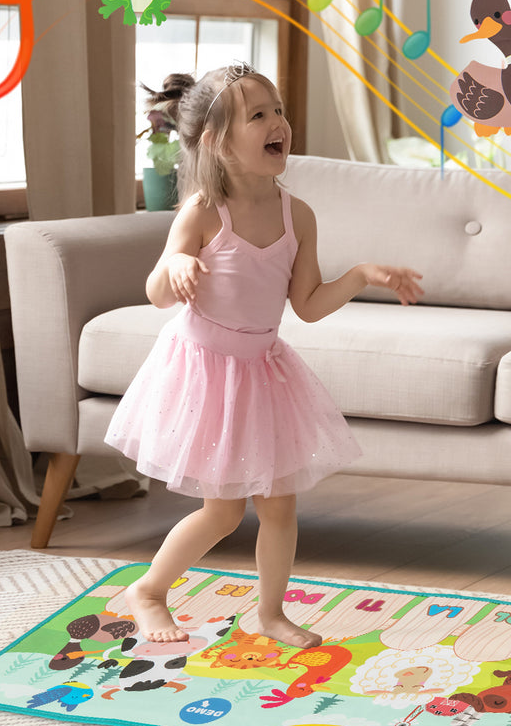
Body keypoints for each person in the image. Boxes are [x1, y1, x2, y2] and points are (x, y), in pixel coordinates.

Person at [105, 63, 423, 647]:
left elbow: (306, 304)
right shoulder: (203, 210)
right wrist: (174, 266)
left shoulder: (296, 214)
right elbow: (155, 294)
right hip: (205, 371)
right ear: (217, 142)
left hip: (263, 371)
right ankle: (148, 590)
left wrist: (360, 275)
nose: (279, 122)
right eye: (259, 115)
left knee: (279, 506)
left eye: (278, 110)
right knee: (223, 512)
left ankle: (271, 614)